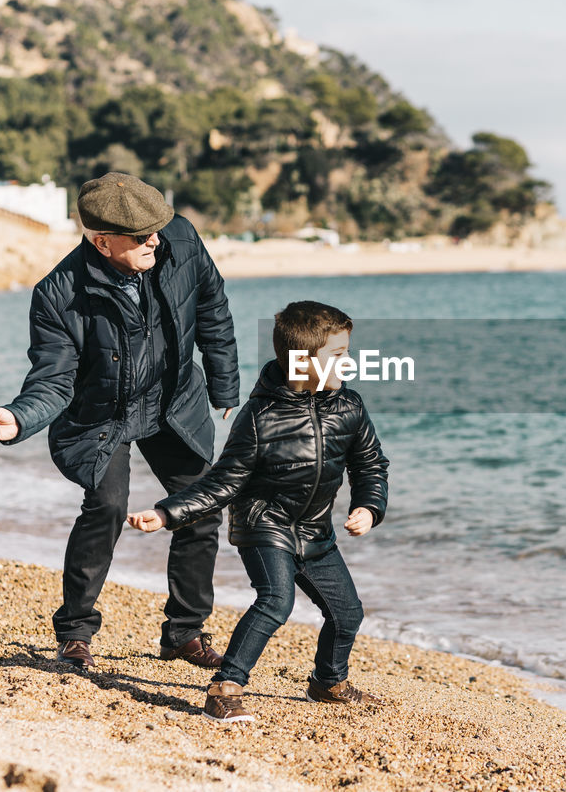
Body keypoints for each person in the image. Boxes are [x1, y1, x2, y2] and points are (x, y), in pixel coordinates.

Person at [0, 172, 240, 672]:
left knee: (199, 506)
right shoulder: (58, 293)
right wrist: (17, 418)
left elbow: (212, 307)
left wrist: (224, 383)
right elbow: (53, 380)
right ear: (101, 240)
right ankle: (74, 631)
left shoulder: (179, 238)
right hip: (100, 417)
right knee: (107, 507)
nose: (155, 239)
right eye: (140, 236)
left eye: (156, 227)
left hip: (171, 400)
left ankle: (184, 631)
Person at [127, 300, 389, 723]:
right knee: (275, 601)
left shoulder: (350, 406)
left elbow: (371, 464)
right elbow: (224, 482)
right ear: (302, 361)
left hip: (315, 531)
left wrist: (369, 505)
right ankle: (225, 687)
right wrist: (168, 513)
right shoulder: (259, 417)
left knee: (347, 613)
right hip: (264, 525)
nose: (348, 364)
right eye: (338, 356)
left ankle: (328, 681)